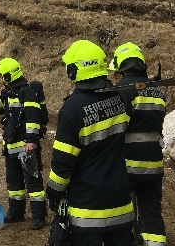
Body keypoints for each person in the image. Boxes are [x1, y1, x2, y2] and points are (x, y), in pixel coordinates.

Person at [46, 39, 135, 246]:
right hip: (121, 206)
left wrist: (53, 193)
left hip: (87, 213)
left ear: (73, 71)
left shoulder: (72, 109)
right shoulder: (120, 99)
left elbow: (63, 162)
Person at [109, 42, 166, 246]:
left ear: (122, 65)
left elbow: (116, 128)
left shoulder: (122, 90)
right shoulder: (156, 91)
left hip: (128, 165)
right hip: (154, 164)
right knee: (152, 213)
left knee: (122, 213)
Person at [0, 57, 47, 229]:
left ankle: (39, 217)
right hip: (11, 145)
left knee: (33, 183)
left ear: (9, 75)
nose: (0, 78)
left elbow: (33, 117)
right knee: (14, 183)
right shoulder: (7, 92)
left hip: (26, 146)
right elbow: (0, 111)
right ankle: (16, 213)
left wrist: (31, 140)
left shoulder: (27, 92)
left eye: (2, 75)